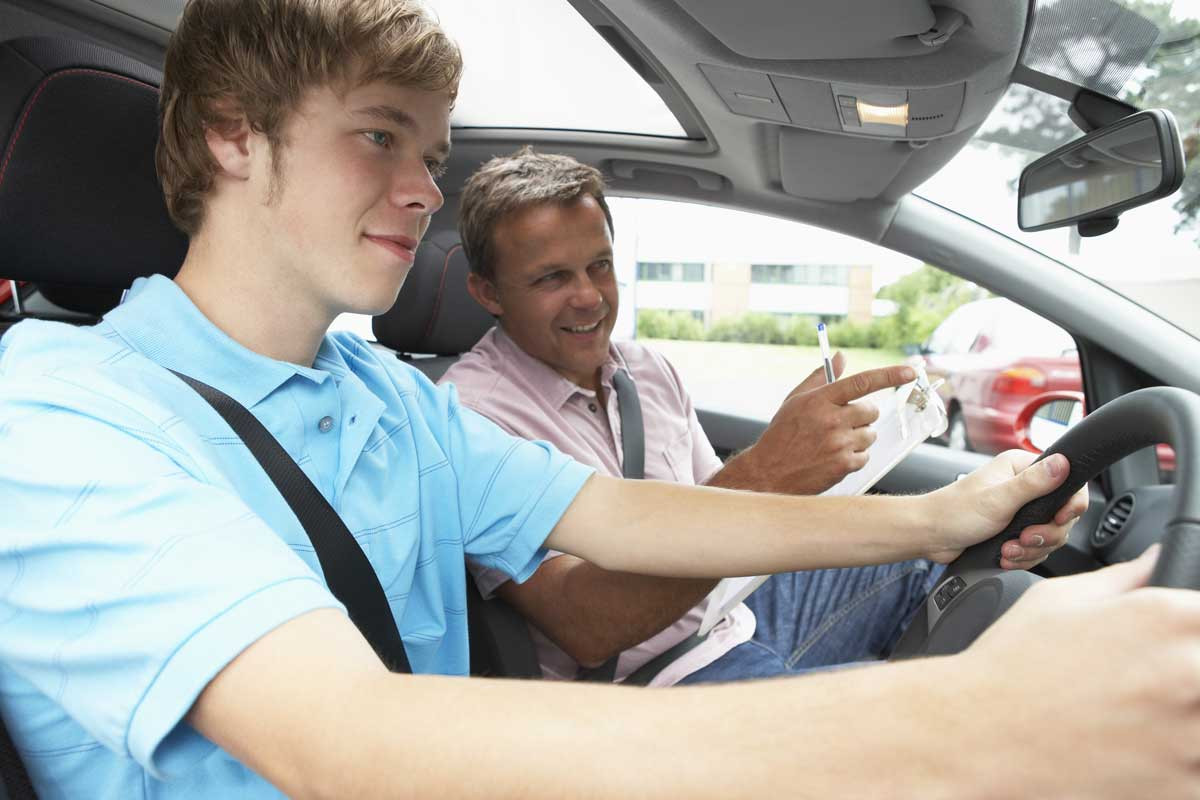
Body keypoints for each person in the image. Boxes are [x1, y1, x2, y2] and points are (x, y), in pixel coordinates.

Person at [0, 1, 1194, 798]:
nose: (423, 189)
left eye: (433, 150)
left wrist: (936, 518)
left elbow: (627, 513)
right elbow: (342, 739)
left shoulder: (378, 393)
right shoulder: (55, 413)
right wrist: (974, 725)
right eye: (381, 138)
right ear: (232, 138)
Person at [443, 147, 952, 685]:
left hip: (729, 617)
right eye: (552, 278)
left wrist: (803, 459)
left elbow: (718, 503)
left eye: (600, 266)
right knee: (903, 715)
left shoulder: (647, 369)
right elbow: (587, 627)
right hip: (648, 688)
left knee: (938, 571)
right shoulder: (470, 418)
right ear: (488, 293)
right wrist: (768, 471)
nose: (589, 297)